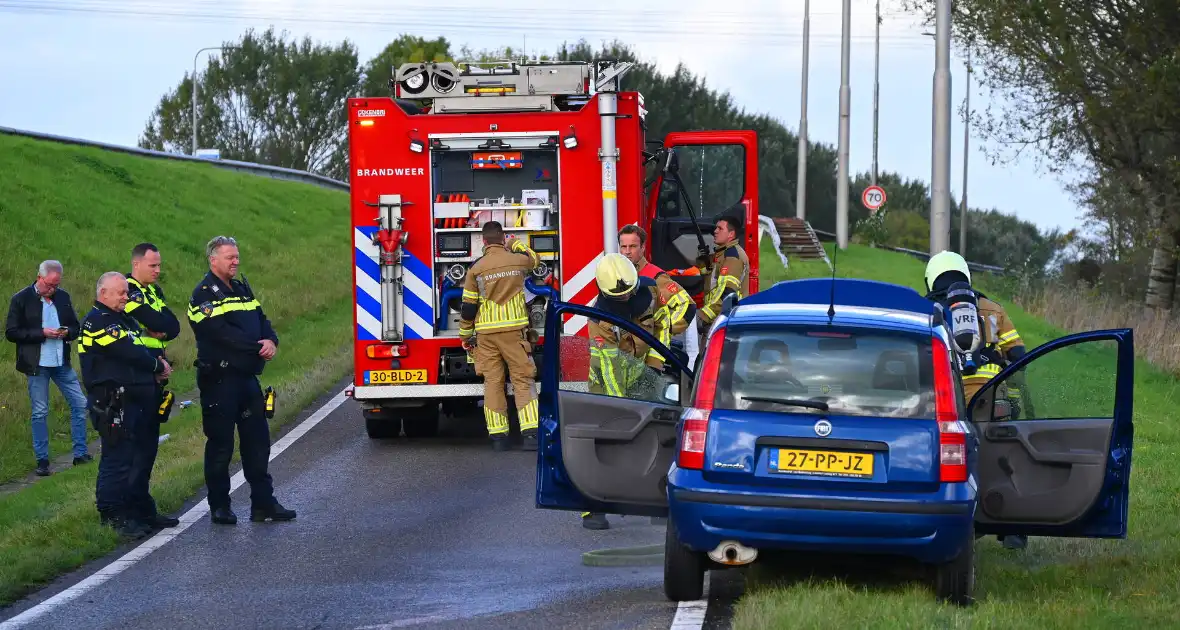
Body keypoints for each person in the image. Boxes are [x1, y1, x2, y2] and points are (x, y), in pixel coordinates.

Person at [923, 250, 1029, 550]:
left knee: (949, 462)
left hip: (947, 401)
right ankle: (1013, 529)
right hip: (991, 399)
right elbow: (1019, 357)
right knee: (1004, 459)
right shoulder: (993, 310)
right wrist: (1014, 402)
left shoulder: (927, 309)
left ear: (932, 277)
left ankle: (953, 520)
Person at [188, 235, 295, 525]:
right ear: (213, 259)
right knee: (221, 446)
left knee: (258, 443)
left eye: (237, 256)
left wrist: (271, 341)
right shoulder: (203, 295)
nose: (236, 261)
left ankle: (263, 504)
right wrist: (257, 347)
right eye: (229, 257)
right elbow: (221, 334)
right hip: (220, 380)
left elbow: (262, 320)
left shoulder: (241, 288)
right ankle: (220, 506)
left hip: (247, 378)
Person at [581, 253, 673, 530]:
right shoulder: (599, 320)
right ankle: (593, 508)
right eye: (619, 297)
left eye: (630, 293)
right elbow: (609, 369)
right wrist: (621, 410)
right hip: (609, 386)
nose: (627, 300)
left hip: (645, 373)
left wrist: (656, 365)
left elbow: (662, 327)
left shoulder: (650, 291)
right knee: (606, 444)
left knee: (658, 438)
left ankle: (655, 504)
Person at [78, 272, 172, 539]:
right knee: (117, 459)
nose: (126, 297)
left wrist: (156, 367)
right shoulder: (98, 321)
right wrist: (156, 365)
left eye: (127, 293)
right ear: (103, 293)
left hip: (136, 400)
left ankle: (140, 510)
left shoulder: (125, 320)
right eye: (120, 293)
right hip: (112, 402)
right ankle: (112, 515)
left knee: (139, 458)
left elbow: (142, 348)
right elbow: (128, 352)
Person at [458, 221, 543, 452]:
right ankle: (531, 434)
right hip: (514, 333)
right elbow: (535, 259)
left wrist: (465, 335)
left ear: (484, 241)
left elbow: (468, 308)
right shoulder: (517, 260)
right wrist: (516, 243)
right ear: (502, 238)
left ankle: (498, 438)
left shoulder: (475, 269)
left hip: (486, 335)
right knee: (523, 380)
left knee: (493, 383)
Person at [5, 260, 92, 476]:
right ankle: (42, 460)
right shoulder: (21, 299)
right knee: (40, 411)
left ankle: (80, 453)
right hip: (37, 364)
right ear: (39, 278)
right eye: (49, 285)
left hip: (61, 361)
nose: (52, 290)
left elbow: (75, 327)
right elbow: (12, 332)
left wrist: (66, 333)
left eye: (56, 285)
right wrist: (41, 333)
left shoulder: (62, 298)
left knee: (81, 404)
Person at [123, 243, 182, 529]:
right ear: (136, 264)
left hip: (156, 373)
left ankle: (145, 510)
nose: (158, 271)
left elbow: (172, 326)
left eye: (159, 265)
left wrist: (160, 325)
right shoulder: (128, 290)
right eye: (153, 266)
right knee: (136, 447)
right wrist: (156, 324)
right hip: (137, 374)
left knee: (148, 447)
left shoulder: (153, 291)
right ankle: (133, 511)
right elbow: (151, 320)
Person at [617, 224, 697, 367]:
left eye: (633, 246)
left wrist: (663, 330)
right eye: (624, 247)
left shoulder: (655, 277)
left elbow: (688, 306)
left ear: (642, 248)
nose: (627, 252)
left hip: (649, 361)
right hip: (627, 356)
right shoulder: (618, 275)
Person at [695, 215, 750, 350]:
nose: (715, 231)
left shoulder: (732, 257)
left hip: (724, 320)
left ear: (731, 234)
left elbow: (727, 294)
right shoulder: (721, 254)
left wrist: (703, 315)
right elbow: (710, 282)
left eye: (720, 228)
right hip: (718, 319)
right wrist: (703, 260)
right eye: (716, 228)